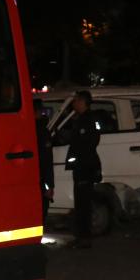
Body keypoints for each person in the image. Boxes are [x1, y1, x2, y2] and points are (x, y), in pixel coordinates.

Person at [54, 90, 102, 248]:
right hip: (82, 166)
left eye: (76, 101)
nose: (74, 103)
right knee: (81, 203)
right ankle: (81, 237)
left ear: (82, 102)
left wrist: (79, 160)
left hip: (84, 167)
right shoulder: (81, 119)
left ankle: (84, 238)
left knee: (83, 204)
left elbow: (89, 143)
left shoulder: (88, 120)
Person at [33, 98, 55, 223]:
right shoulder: (41, 130)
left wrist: (49, 184)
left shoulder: (37, 130)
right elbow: (47, 159)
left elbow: (46, 159)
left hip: (37, 178)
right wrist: (50, 185)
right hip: (40, 178)